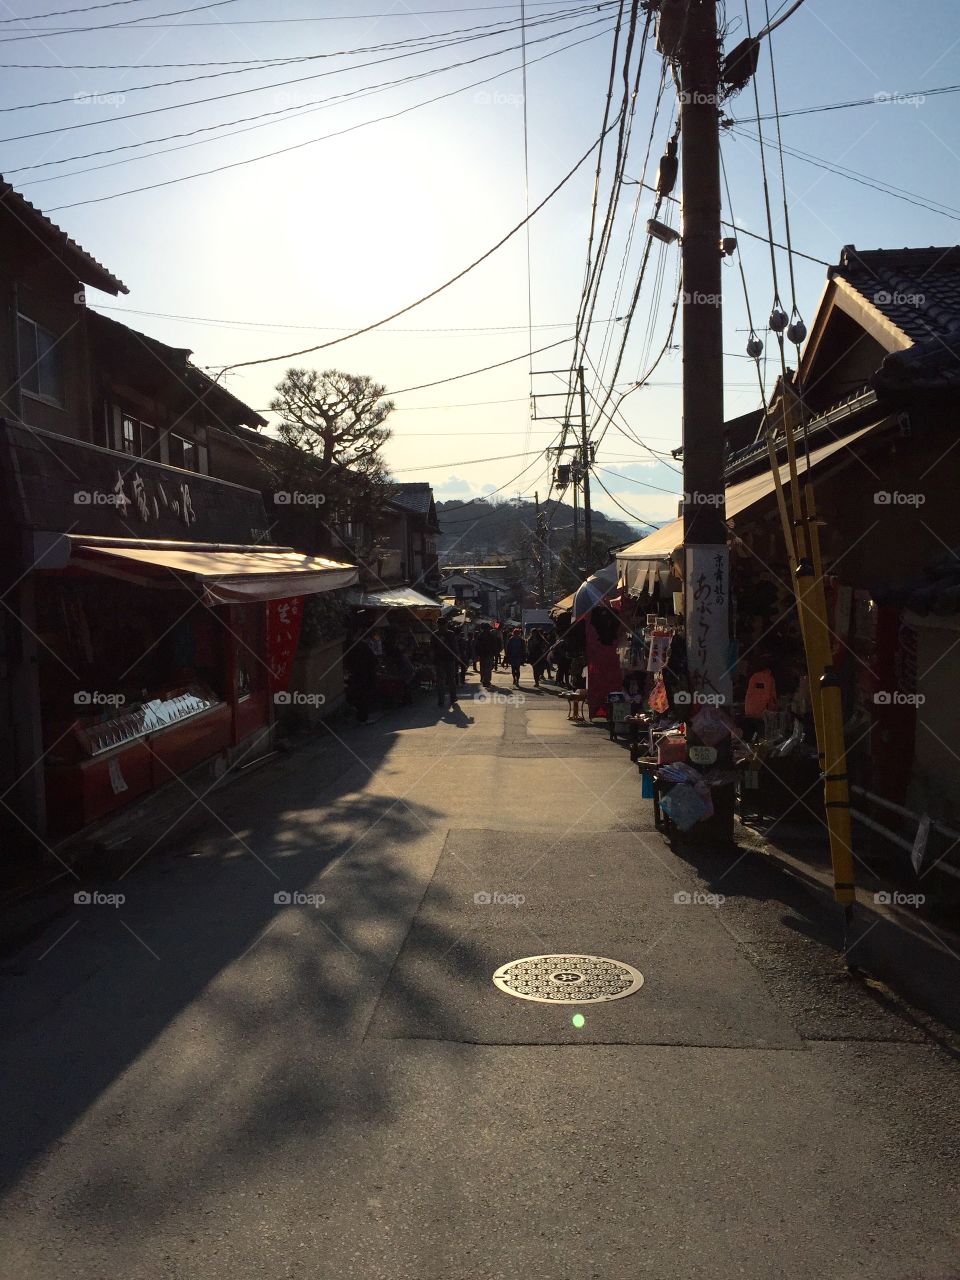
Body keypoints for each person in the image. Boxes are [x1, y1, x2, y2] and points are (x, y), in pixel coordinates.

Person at [343, 632, 379, 722]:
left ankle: (361, 716)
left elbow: (346, 662)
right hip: (366, 674)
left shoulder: (347, 648)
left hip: (356, 675)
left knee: (359, 695)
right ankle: (363, 716)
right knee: (365, 695)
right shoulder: (362, 646)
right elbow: (373, 660)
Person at [431, 620, 459, 708]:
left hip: (441, 660)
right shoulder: (450, 634)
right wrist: (457, 656)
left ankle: (441, 700)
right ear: (446, 624)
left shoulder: (435, 634)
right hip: (448, 660)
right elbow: (455, 646)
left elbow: (431, 648)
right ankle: (452, 698)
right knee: (450, 679)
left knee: (441, 681)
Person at [476, 622, 500, 688]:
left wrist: (477, 654)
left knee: (483, 668)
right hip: (488, 654)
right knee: (487, 668)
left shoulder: (480, 635)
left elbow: (477, 646)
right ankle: (486, 680)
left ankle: (484, 679)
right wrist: (495, 653)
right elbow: (494, 645)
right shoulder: (491, 636)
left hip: (484, 654)